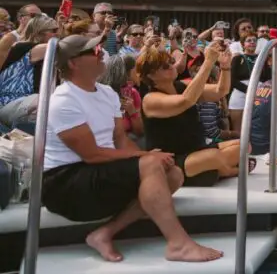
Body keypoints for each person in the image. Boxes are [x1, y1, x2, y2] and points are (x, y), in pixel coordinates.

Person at [40, 34, 222, 263]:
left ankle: (105, 233)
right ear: (73, 63)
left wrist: (148, 157)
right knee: (151, 163)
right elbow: (92, 154)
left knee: (173, 174)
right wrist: (145, 156)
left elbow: (120, 139)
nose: (101, 53)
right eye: (93, 51)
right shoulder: (63, 100)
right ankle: (179, 244)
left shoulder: (106, 93)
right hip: (65, 184)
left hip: (98, 172)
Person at [139, 43, 247, 187]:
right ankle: (226, 170)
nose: (171, 66)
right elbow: (186, 101)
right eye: (164, 66)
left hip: (197, 150)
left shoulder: (182, 86)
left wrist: (225, 67)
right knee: (213, 156)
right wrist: (207, 62)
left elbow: (221, 91)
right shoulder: (150, 99)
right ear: (150, 75)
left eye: (171, 62)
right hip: (173, 159)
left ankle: (215, 170)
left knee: (244, 146)